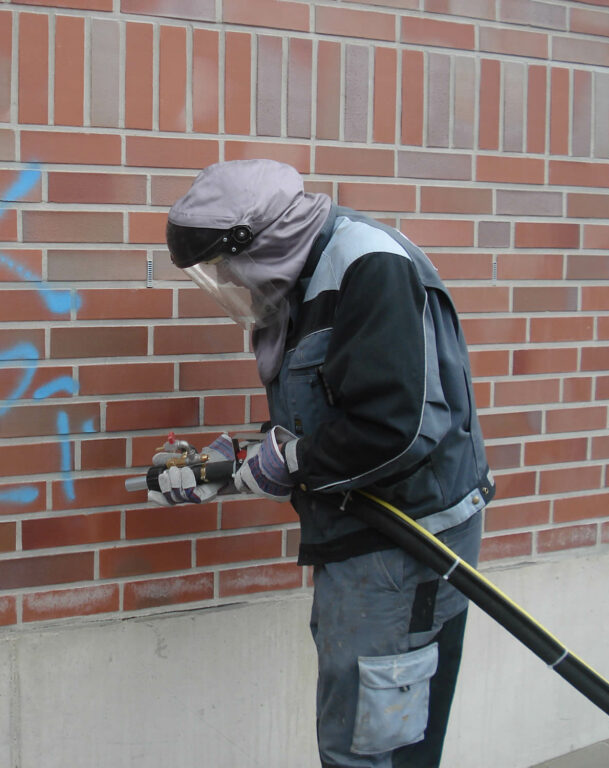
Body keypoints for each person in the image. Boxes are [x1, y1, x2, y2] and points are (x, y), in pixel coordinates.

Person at [155, 159, 494, 768]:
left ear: (262, 239)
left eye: (227, 264)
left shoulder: (367, 266)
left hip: (405, 547)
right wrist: (232, 463)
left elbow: (399, 426)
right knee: (359, 729)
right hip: (362, 543)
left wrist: (295, 460)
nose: (229, 278)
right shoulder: (304, 269)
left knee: (373, 748)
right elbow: (334, 404)